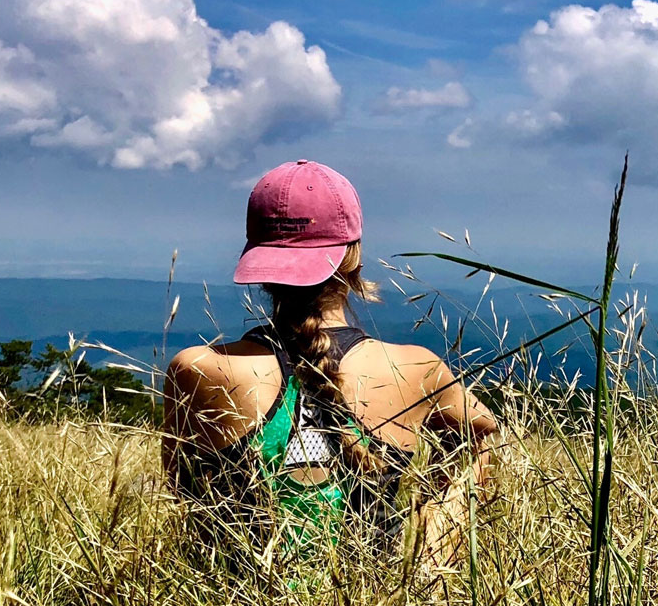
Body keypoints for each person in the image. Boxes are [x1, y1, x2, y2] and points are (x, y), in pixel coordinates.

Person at [163, 159, 500, 565]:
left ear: (257, 260)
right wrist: (437, 540)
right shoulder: (415, 370)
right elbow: (485, 437)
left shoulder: (198, 368)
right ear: (352, 258)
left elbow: (184, 490)